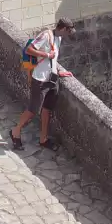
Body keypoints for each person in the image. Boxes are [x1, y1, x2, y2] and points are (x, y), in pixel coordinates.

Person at [10, 19, 73, 151]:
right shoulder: (46, 35)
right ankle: (16, 131)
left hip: (52, 79)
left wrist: (59, 71)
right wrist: (46, 54)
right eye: (68, 31)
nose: (69, 34)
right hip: (39, 80)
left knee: (47, 109)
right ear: (62, 29)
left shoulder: (58, 38)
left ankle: (43, 139)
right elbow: (29, 50)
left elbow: (53, 59)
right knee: (33, 110)